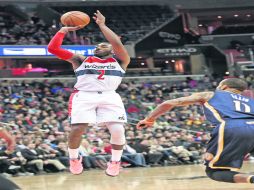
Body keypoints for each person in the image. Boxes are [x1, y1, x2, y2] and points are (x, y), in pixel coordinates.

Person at [48, 10, 130, 177]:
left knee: (118, 130)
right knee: (78, 128)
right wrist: (62, 31)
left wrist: (102, 25)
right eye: (97, 46)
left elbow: (117, 43)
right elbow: (53, 48)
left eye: (103, 45)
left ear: (112, 50)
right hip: (84, 95)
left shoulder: (121, 61)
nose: (99, 46)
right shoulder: (80, 60)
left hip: (109, 95)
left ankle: (115, 162)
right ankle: (73, 158)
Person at [137, 78, 254, 184]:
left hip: (233, 127)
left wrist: (149, 119)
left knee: (215, 172)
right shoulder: (250, 100)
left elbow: (169, 103)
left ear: (223, 87)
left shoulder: (210, 94)